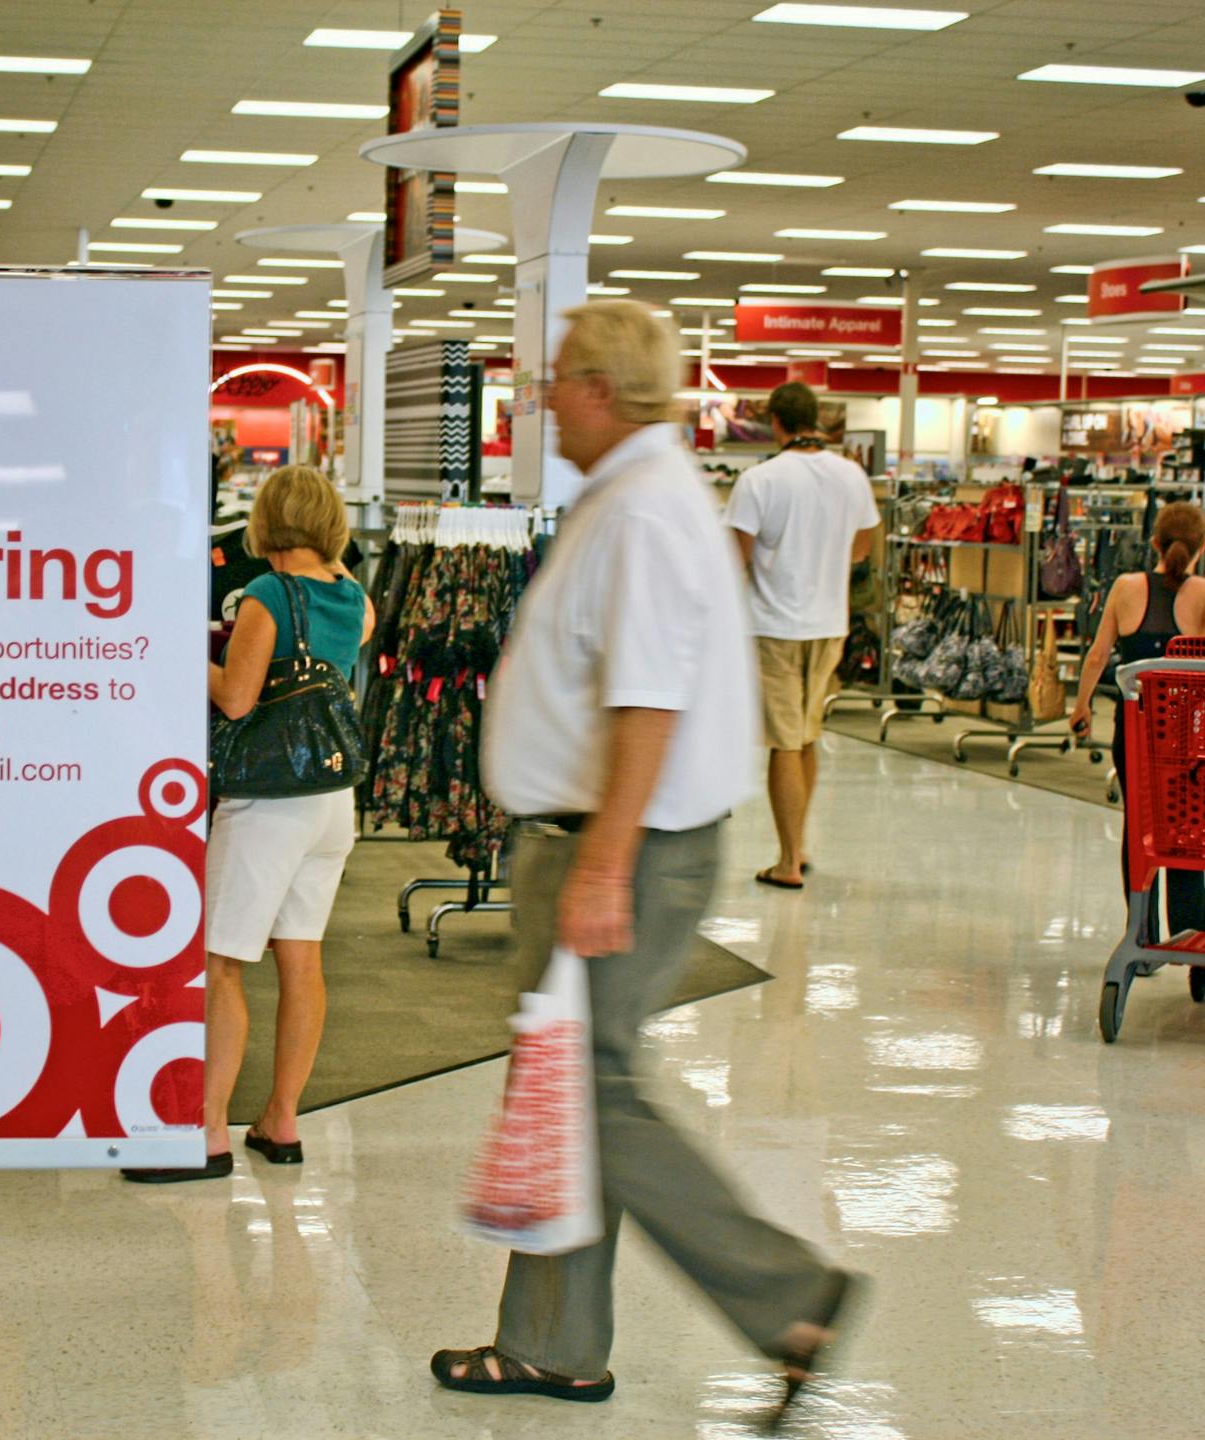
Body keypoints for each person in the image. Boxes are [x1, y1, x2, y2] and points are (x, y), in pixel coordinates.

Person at [431, 303, 855, 1427]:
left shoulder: (649, 514)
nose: (542, 395)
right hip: (601, 834)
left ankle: (789, 1298)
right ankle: (552, 1343)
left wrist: (603, 861)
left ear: (603, 391)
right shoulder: (630, 497)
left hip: (623, 843)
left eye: (557, 377)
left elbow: (648, 701)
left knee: (593, 1094)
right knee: (570, 1085)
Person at [125, 465, 372, 1184]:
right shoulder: (353, 595)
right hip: (332, 798)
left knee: (220, 962)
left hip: (269, 799)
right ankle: (281, 1120)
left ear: (268, 522)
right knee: (301, 961)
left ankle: (205, 1135)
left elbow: (236, 699)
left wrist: (185, 650)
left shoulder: (268, 593)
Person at [726, 382, 881, 891]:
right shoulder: (851, 474)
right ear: (817, 419)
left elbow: (736, 558)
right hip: (829, 624)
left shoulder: (760, 480)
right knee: (807, 735)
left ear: (776, 423)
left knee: (784, 744)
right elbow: (862, 549)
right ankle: (801, 844)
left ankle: (788, 860)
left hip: (774, 626)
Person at [1070, 502, 1205, 945]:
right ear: (1200, 550)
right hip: (1188, 735)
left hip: (1135, 728)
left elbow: (1099, 655)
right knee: (1186, 826)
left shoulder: (1125, 586)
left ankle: (1140, 933)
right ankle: (1189, 932)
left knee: (1138, 825)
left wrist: (1081, 707)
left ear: (1154, 543)